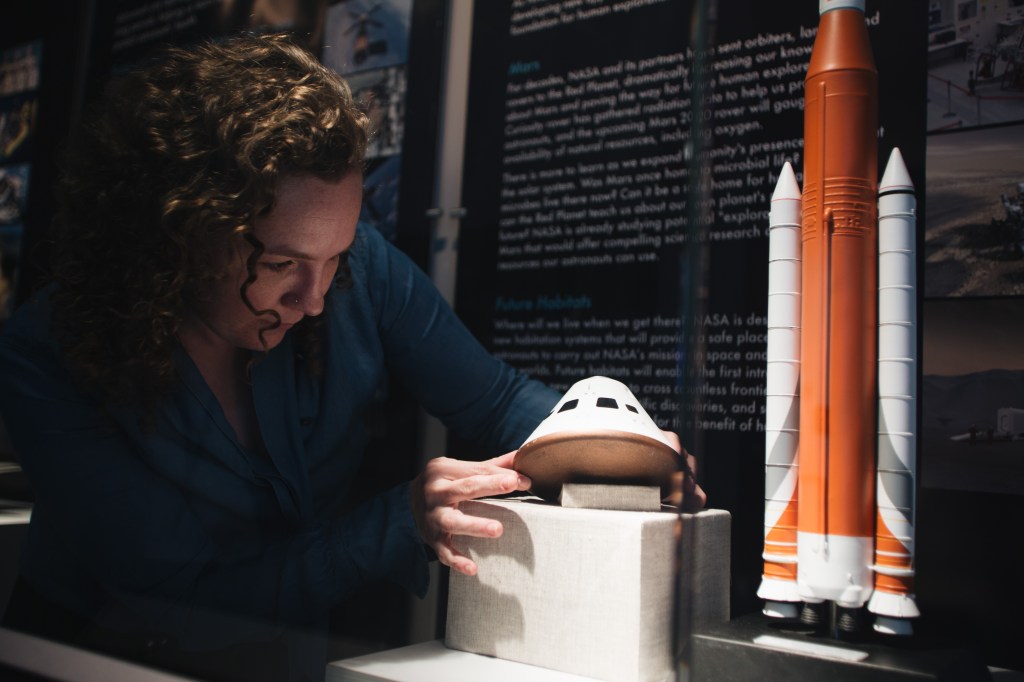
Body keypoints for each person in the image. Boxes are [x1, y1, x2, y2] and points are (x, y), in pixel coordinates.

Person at [0, 32, 704, 682]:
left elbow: (490, 401)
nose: (315, 298)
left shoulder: (359, 268)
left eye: (334, 256)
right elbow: (182, 601)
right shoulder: (46, 354)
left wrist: (617, 445)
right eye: (281, 263)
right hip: (90, 660)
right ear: (182, 231)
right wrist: (399, 520)